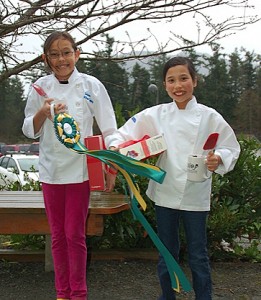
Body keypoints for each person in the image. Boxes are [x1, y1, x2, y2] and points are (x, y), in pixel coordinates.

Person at [108, 56, 240, 300]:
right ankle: (167, 295)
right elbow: (123, 133)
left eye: (183, 78)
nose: (178, 85)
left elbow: (231, 147)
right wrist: (115, 148)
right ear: (165, 84)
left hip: (195, 192)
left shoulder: (210, 116)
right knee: (166, 251)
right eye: (171, 80)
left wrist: (218, 158)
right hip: (165, 191)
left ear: (195, 81)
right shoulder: (156, 114)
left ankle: (204, 297)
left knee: (198, 254)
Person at [22, 31, 117, 300]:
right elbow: (29, 129)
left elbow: (109, 128)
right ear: (45, 58)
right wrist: (43, 111)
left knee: (75, 235)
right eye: (54, 54)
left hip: (80, 172)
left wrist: (112, 166)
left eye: (66, 52)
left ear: (77, 53)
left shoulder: (91, 85)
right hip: (51, 172)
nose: (61, 59)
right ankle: (61, 293)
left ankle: (79, 293)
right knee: (57, 236)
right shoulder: (39, 87)